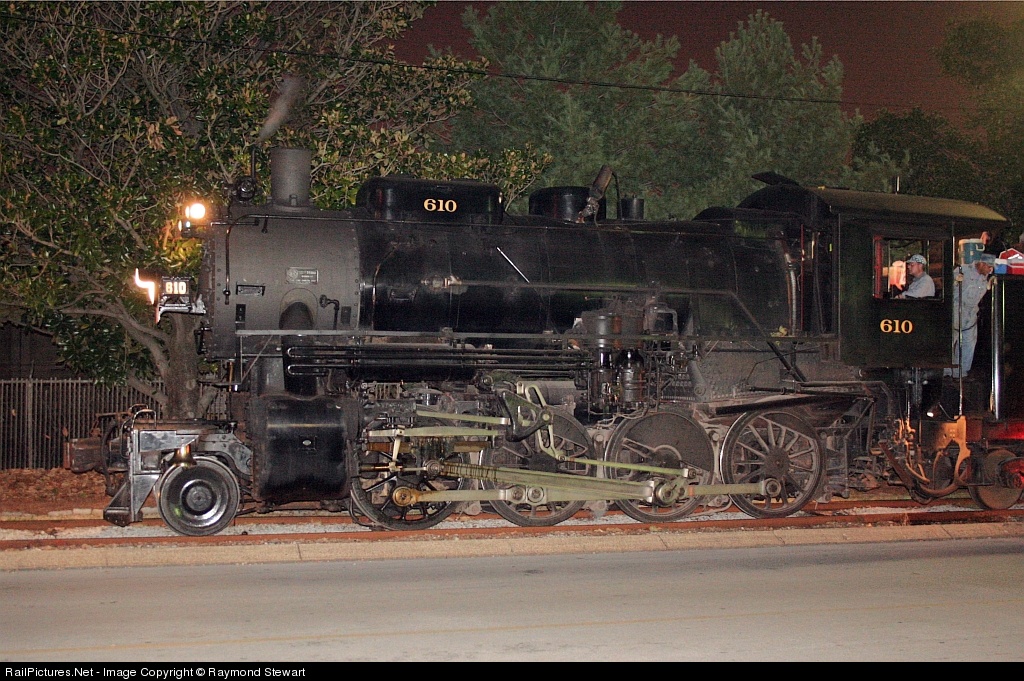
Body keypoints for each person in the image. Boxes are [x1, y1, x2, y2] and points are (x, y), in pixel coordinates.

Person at [948, 253, 995, 377]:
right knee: (950, 341)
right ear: (982, 264)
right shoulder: (963, 271)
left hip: (971, 313)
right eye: (989, 267)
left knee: (968, 343)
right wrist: (956, 282)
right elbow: (949, 288)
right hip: (957, 309)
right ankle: (946, 372)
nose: (990, 270)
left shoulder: (985, 276)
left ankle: (961, 373)